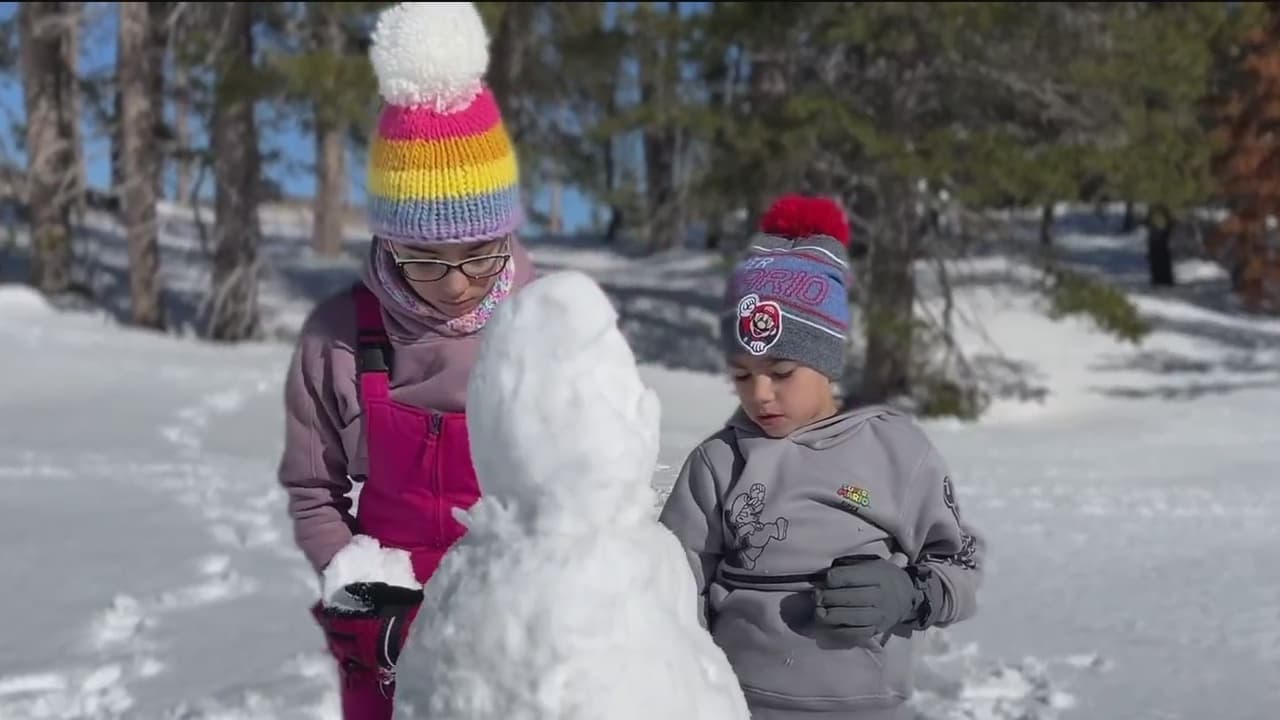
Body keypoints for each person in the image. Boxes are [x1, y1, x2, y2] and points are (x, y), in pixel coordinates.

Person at [275, 3, 535, 718]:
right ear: (388, 242)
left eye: (479, 254)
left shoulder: (541, 325)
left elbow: (590, 486)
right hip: (386, 633)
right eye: (425, 259)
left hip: (510, 622)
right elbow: (313, 491)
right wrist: (358, 593)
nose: (455, 284)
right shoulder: (337, 340)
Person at [658, 194, 987, 720]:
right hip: (737, 707)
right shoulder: (719, 464)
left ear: (826, 361)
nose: (760, 394)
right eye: (742, 375)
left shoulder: (895, 453)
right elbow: (669, 587)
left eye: (781, 372)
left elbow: (961, 566)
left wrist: (911, 594)